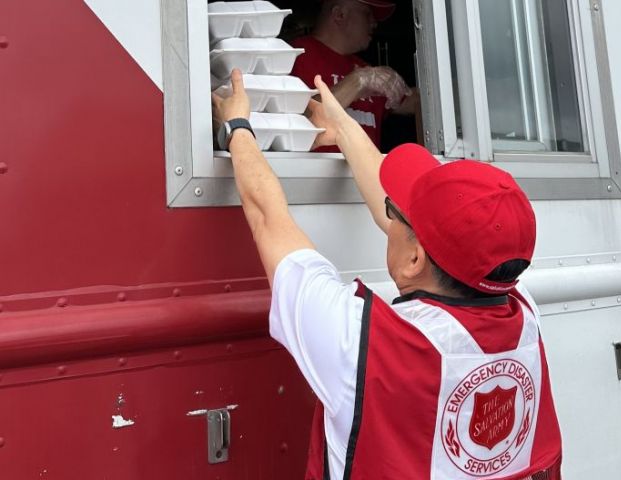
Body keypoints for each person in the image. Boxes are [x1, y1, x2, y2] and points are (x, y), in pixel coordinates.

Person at [212, 70, 561, 479]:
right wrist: (341, 124)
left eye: (396, 214)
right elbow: (437, 238)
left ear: (415, 260)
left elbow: (267, 216)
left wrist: (237, 125)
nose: (387, 213)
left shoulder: (358, 340)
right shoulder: (523, 313)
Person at [290, 0, 419, 151]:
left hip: (365, 173)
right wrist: (358, 81)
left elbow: (416, 102)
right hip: (309, 173)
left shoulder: (366, 70)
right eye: (367, 13)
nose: (374, 23)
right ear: (340, 14)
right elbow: (300, 124)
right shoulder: (293, 55)